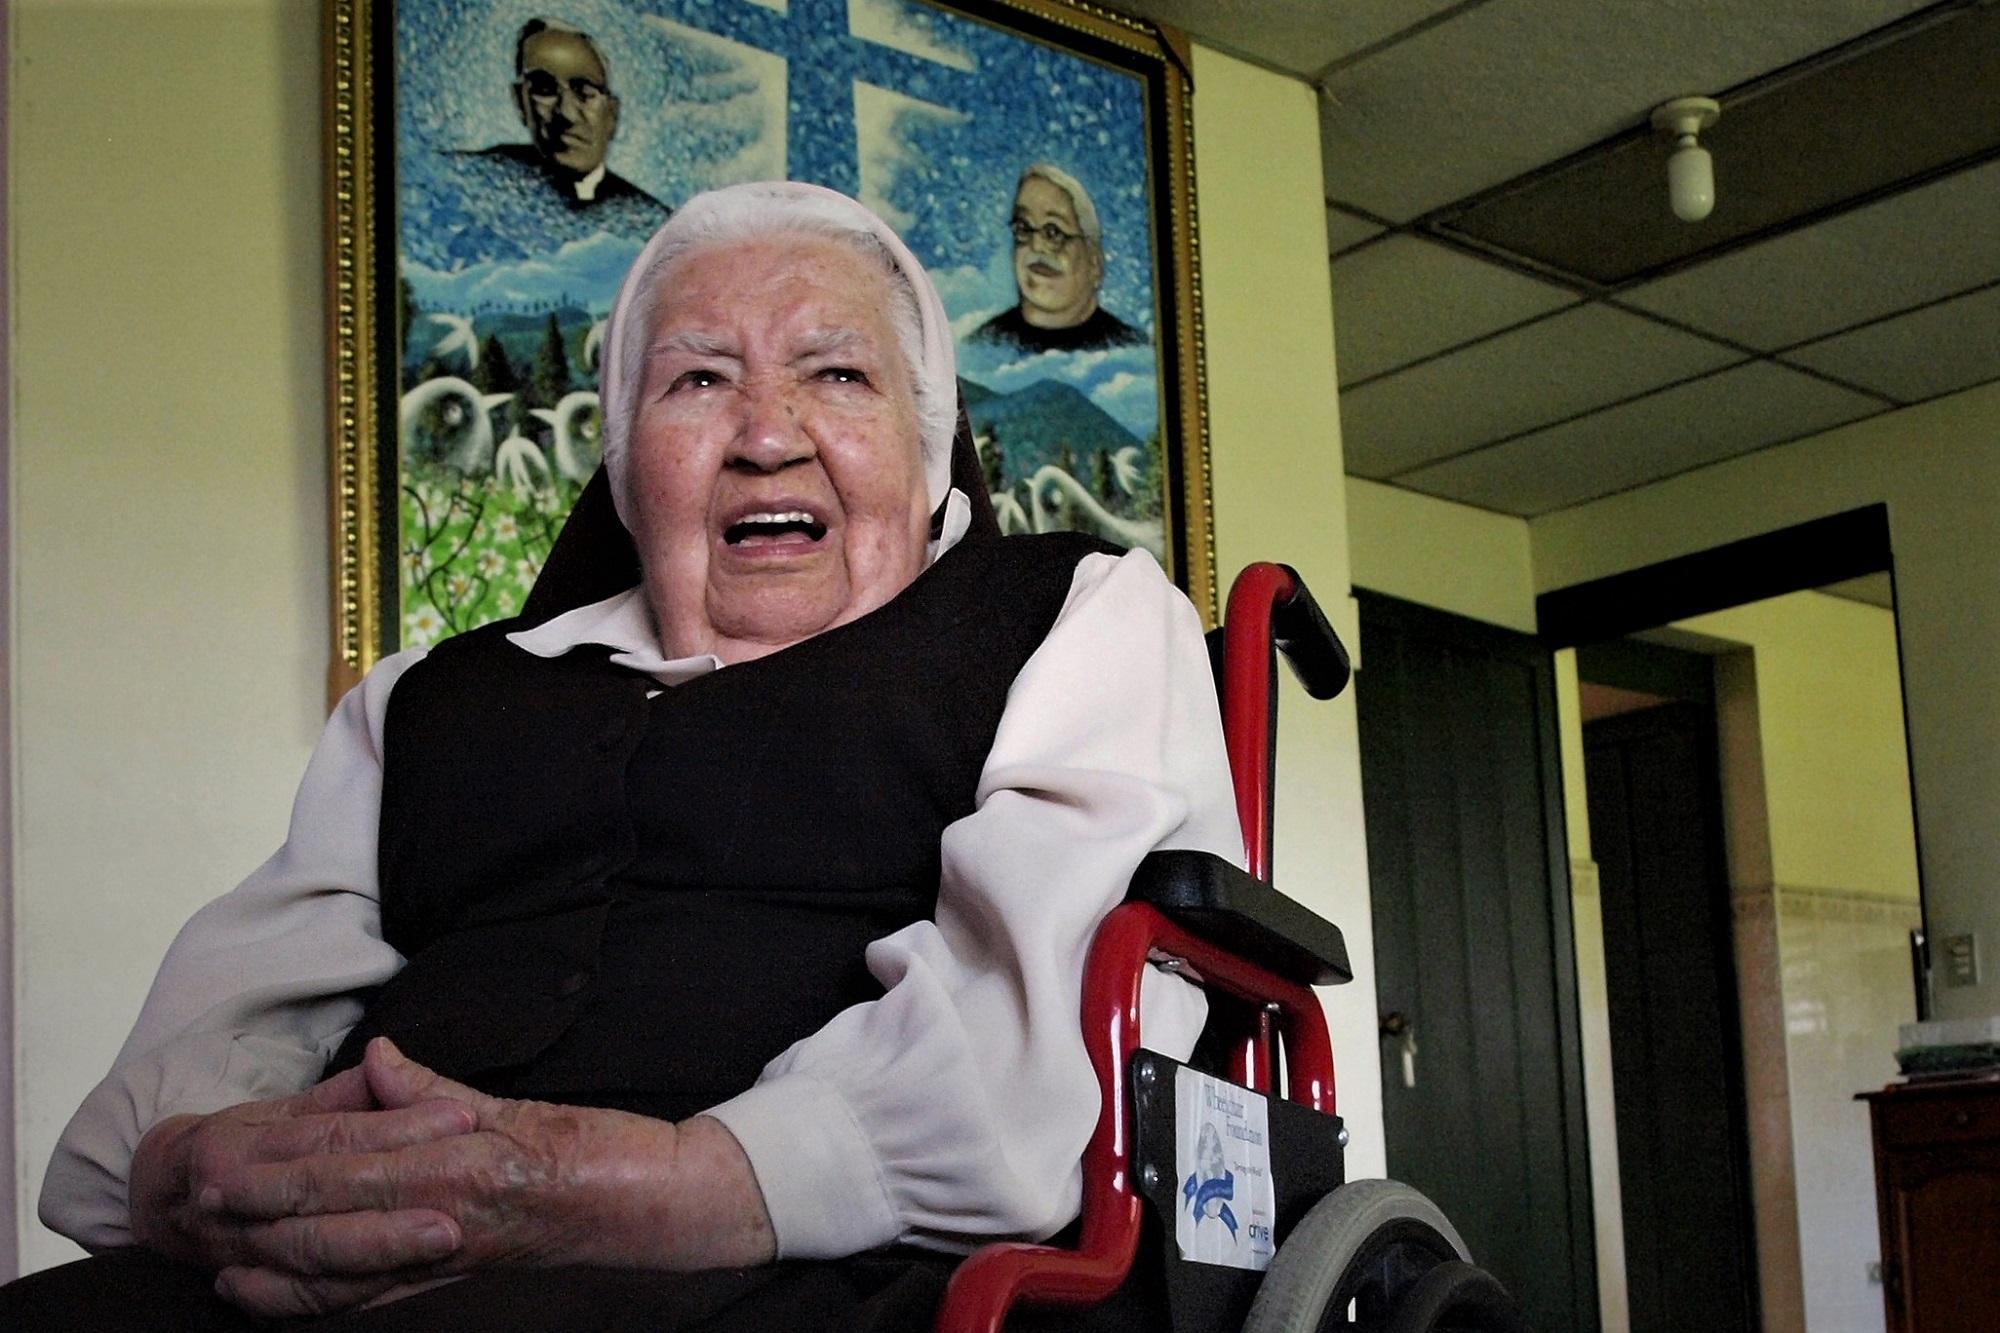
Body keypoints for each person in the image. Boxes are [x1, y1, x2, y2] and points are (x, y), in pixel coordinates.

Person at [9, 183, 1239, 1329]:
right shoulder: (427, 700)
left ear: (926, 455)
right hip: (336, 1258)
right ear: (624, 467)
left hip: (821, 1268)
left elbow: (1046, 1018)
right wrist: (192, 1170)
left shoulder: (1074, 615)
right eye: (697, 381)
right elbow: (191, 1064)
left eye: (838, 372)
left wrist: (641, 1183)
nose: (767, 435)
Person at [969, 164, 1146, 355]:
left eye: (1054, 232)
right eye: (1023, 228)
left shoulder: (1130, 351)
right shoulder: (985, 344)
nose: (1036, 245)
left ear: (1094, 263)